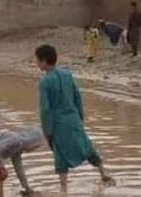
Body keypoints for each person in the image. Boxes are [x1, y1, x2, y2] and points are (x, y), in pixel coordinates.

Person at [35, 44, 114, 189]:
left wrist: (47, 132)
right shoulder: (67, 75)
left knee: (60, 155)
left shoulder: (44, 82)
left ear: (44, 61)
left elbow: (45, 110)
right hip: (73, 118)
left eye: (38, 60)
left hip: (58, 124)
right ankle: (103, 173)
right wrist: (79, 118)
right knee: (86, 146)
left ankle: (64, 191)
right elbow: (78, 97)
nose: (36, 63)